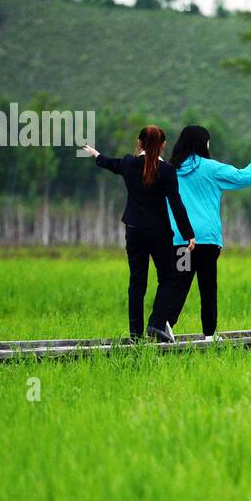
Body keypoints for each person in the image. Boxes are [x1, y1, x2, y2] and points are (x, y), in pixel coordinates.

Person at [81, 126, 195, 343]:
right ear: (162, 145)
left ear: (139, 142)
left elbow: (111, 163)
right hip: (159, 233)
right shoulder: (167, 171)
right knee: (170, 278)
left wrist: (96, 154)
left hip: (133, 231)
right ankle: (156, 324)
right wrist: (188, 233)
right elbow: (176, 204)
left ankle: (135, 334)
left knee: (137, 282)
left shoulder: (128, 163)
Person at [164, 125, 251, 338]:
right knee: (207, 286)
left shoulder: (171, 170)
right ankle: (209, 334)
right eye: (207, 141)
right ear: (202, 143)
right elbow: (243, 177)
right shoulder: (211, 168)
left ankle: (166, 323)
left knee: (179, 283)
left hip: (181, 240)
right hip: (206, 241)